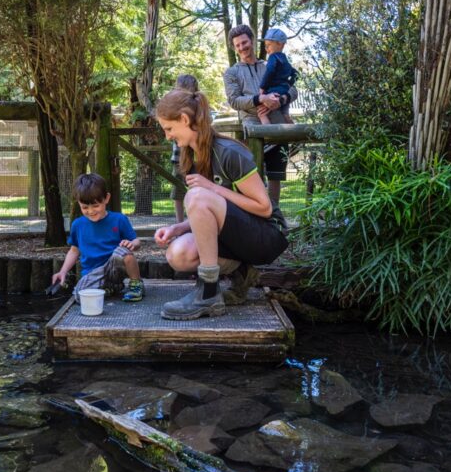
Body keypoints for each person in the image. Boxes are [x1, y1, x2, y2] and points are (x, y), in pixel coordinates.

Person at [153, 90, 288, 320]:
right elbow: (207, 212)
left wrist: (212, 188)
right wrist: (179, 228)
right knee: (178, 254)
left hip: (267, 235)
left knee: (197, 195)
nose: (167, 136)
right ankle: (242, 271)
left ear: (185, 120)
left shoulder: (228, 152)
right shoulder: (190, 157)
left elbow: (264, 208)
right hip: (237, 236)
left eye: (169, 128)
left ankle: (208, 293)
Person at [222, 24, 298, 206]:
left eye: (245, 42)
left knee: (275, 175)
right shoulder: (231, 73)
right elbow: (234, 101)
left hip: (276, 126)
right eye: (238, 45)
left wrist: (281, 100)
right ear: (234, 48)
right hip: (252, 130)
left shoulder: (271, 63)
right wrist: (260, 99)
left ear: (252, 42)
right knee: (252, 175)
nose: (242, 47)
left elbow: (293, 89)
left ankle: (275, 216)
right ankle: (257, 218)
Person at [52, 173, 145, 302]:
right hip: (93, 272)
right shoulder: (78, 225)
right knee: (79, 296)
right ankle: (108, 289)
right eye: (85, 207)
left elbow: (136, 241)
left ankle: (136, 285)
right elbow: (74, 250)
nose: (91, 211)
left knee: (123, 251)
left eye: (95, 206)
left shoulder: (119, 219)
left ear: (106, 198)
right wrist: (62, 272)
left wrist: (132, 244)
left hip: (114, 266)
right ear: (78, 203)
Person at [169, 74, 200, 223]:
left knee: (197, 189)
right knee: (178, 190)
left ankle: (194, 222)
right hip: (179, 157)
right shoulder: (173, 108)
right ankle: (180, 223)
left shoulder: (199, 106)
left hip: (196, 157)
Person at [257, 28, 296, 126]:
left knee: (261, 112)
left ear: (279, 44)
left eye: (268, 45)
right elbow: (295, 74)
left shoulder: (273, 57)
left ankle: (269, 130)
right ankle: (286, 116)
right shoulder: (285, 60)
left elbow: (269, 71)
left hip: (273, 91)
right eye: (265, 46)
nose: (266, 49)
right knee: (285, 112)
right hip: (284, 90)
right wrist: (288, 85)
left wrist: (262, 87)